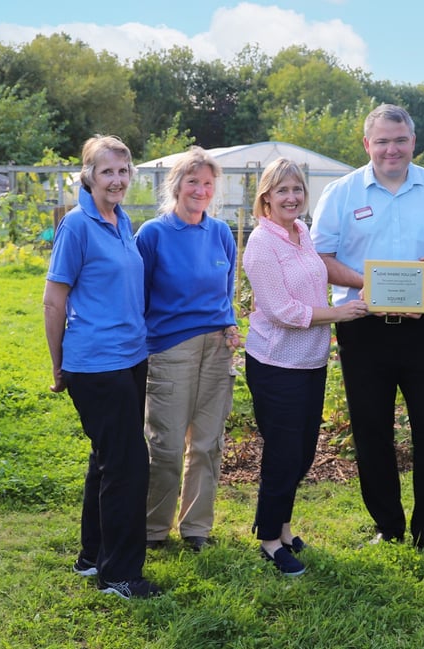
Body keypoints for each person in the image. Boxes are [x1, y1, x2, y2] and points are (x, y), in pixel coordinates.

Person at [310, 104, 424, 558]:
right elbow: (320, 257)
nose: (391, 149)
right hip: (363, 329)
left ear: (413, 143)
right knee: (371, 430)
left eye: (399, 140)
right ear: (367, 144)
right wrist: (370, 283)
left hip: (423, 328)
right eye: (381, 141)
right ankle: (388, 526)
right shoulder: (341, 193)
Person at [43, 135, 162, 599]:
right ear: (88, 175)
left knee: (106, 460)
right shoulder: (77, 226)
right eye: (107, 171)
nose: (116, 179)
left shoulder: (120, 219)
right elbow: (54, 301)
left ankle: (93, 557)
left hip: (131, 357)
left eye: (123, 171)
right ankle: (120, 576)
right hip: (95, 363)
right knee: (130, 466)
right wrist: (58, 368)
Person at [244, 158, 369, 577]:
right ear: (266, 198)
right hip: (276, 362)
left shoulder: (302, 234)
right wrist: (340, 313)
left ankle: (283, 526)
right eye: (282, 191)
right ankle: (267, 540)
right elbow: (281, 310)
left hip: (310, 361)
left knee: (301, 453)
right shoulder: (262, 244)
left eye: (297, 189)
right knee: (282, 454)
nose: (292, 197)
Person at [134, 146, 239, 553]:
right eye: (193, 181)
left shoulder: (221, 233)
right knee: (166, 445)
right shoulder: (153, 234)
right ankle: (153, 530)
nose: (201, 190)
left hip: (216, 349)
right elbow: (137, 298)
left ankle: (196, 529)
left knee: (208, 443)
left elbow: (226, 291)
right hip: (169, 349)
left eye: (208, 183)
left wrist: (229, 324)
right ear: (177, 185)